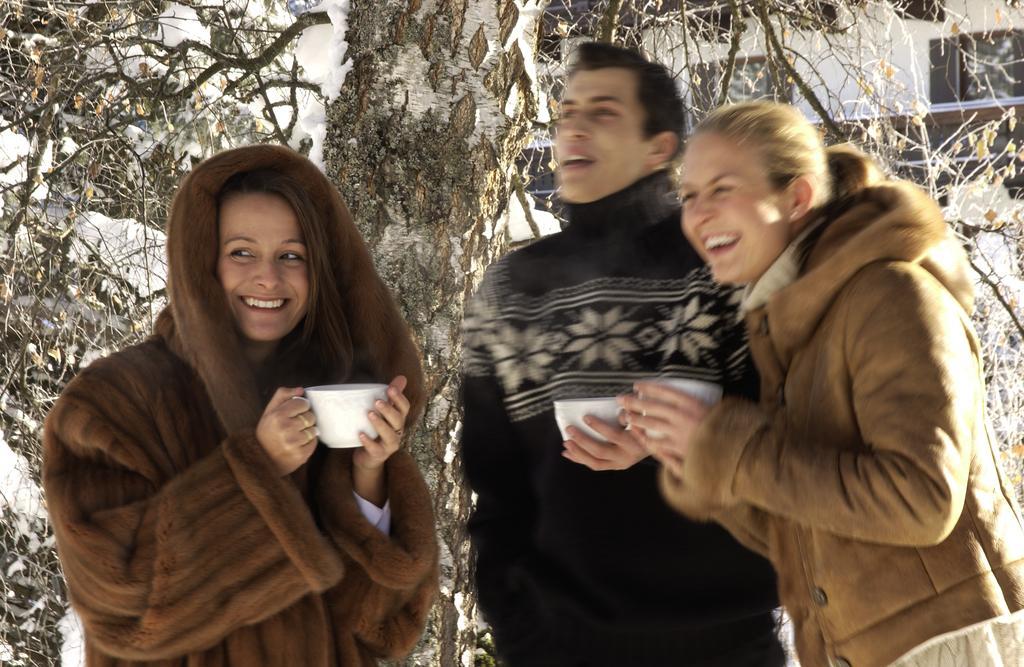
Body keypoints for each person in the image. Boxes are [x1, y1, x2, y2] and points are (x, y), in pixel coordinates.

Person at [622, 100, 1024, 667]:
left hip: (953, 648)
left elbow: (921, 501)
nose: (698, 214)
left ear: (797, 197)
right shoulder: (789, 328)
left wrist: (736, 450)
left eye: (722, 189)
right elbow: (812, 535)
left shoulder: (889, 294)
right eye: (688, 196)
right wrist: (696, 453)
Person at [43, 145, 439, 666]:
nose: (268, 279)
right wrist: (259, 468)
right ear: (201, 262)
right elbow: (124, 608)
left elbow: (382, 630)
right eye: (241, 252)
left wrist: (368, 476)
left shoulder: (335, 400)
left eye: (291, 256)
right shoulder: (110, 408)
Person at [460, 42, 783, 666]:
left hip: (729, 646)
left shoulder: (725, 263)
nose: (574, 127)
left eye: (603, 112)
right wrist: (518, 630)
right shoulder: (509, 288)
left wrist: (677, 445)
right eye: (566, 113)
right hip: (559, 650)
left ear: (659, 148)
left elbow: (793, 439)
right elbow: (494, 487)